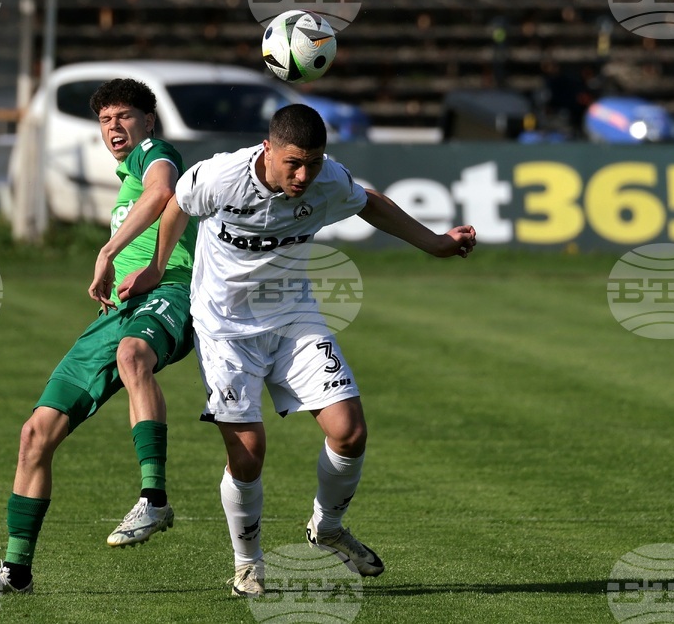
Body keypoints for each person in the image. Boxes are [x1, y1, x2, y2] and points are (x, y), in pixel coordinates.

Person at [119, 103, 476, 597]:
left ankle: (326, 527)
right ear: (268, 149)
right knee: (248, 455)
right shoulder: (221, 175)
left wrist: (435, 242)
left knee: (349, 433)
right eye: (294, 163)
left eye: (314, 161)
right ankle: (248, 565)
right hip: (225, 331)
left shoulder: (327, 179)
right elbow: (178, 204)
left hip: (294, 320)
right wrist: (158, 267)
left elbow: (369, 202)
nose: (305, 175)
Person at [0, 78, 198, 596]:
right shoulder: (127, 168)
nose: (114, 128)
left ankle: (154, 500)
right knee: (35, 433)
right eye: (106, 120)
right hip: (118, 310)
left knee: (134, 355)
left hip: (168, 291)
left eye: (125, 116)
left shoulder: (156, 152)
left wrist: (108, 252)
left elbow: (163, 190)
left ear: (148, 120)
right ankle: (15, 572)